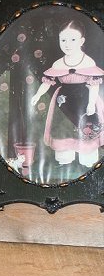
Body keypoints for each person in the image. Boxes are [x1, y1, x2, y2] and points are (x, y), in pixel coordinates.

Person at [30, 20, 104, 168]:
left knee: (86, 128)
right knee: (62, 129)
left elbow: (94, 85)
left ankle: (87, 159)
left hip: (85, 100)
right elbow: (47, 82)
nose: (67, 44)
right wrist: (38, 95)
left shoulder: (88, 61)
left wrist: (91, 103)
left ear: (81, 41)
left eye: (72, 39)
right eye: (63, 40)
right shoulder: (58, 64)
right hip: (63, 102)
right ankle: (65, 158)